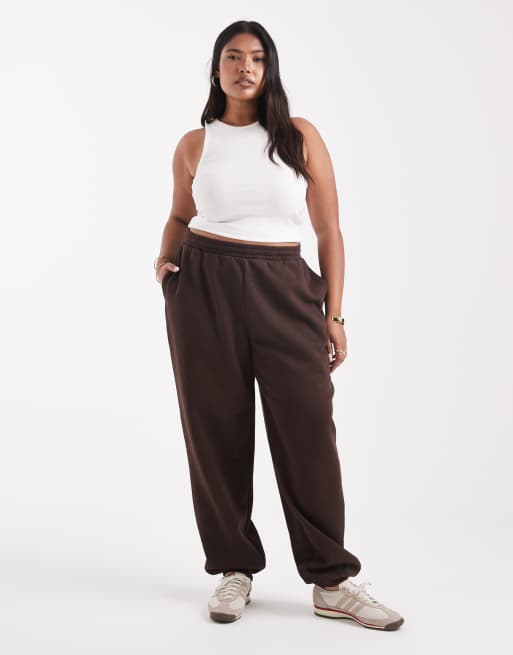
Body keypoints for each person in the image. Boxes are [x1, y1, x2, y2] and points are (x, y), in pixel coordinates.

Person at [154, 21, 404, 630]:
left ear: (270, 69)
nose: (245, 67)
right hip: (204, 288)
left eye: (257, 58)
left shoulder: (298, 135)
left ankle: (332, 580)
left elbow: (328, 231)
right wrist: (165, 269)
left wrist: (334, 313)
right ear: (216, 68)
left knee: (309, 431)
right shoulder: (195, 143)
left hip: (286, 287)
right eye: (233, 56)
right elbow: (180, 216)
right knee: (215, 430)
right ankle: (233, 567)